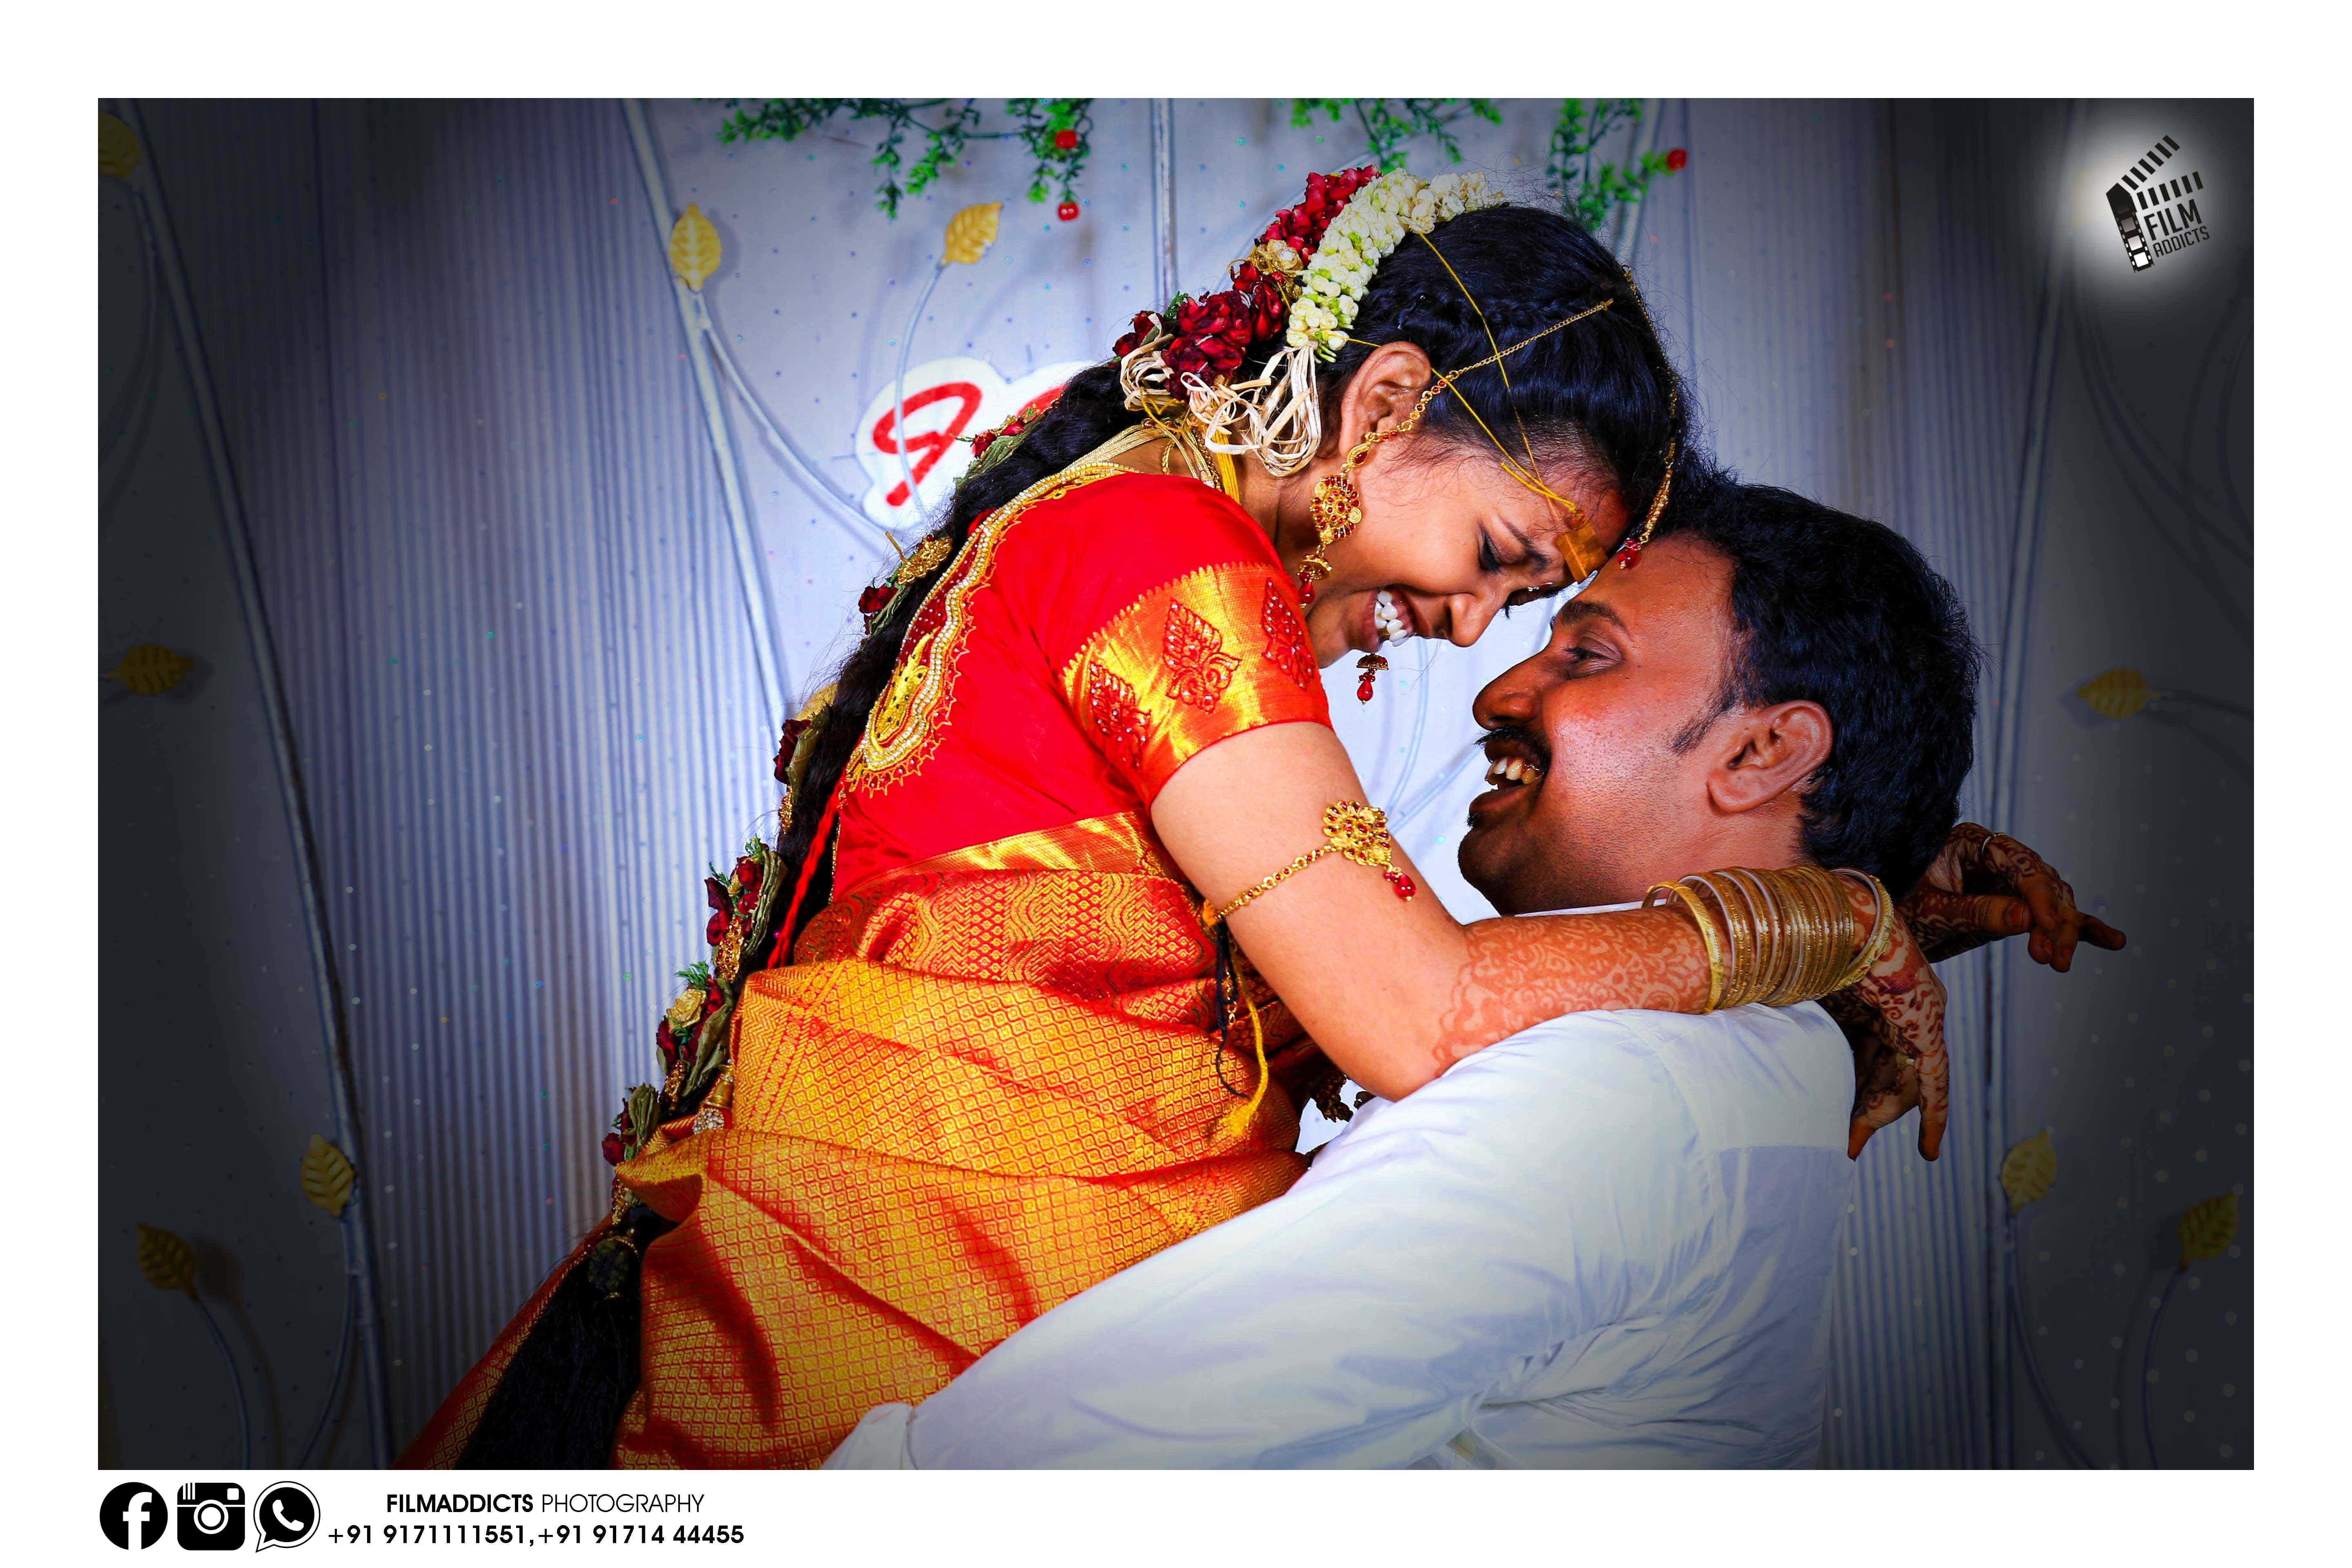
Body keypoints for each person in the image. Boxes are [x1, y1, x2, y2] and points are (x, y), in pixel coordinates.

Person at [402, 171, 2053, 1470]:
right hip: (874, 1337)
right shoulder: (1163, 552)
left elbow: (1334, 1012)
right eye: (1498, 559)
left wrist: (1860, 876)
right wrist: (1822, 919)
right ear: (1384, 404)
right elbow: (1419, 1017)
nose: (1476, 638)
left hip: (946, 1330)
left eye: (1542, 609)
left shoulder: (1170, 558)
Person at [822, 470, 2125, 1468]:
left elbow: (1002, 1481)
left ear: (1761, 755)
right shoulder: (1732, 1056)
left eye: (1585, 653)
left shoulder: (1618, 1091)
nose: (1497, 687)